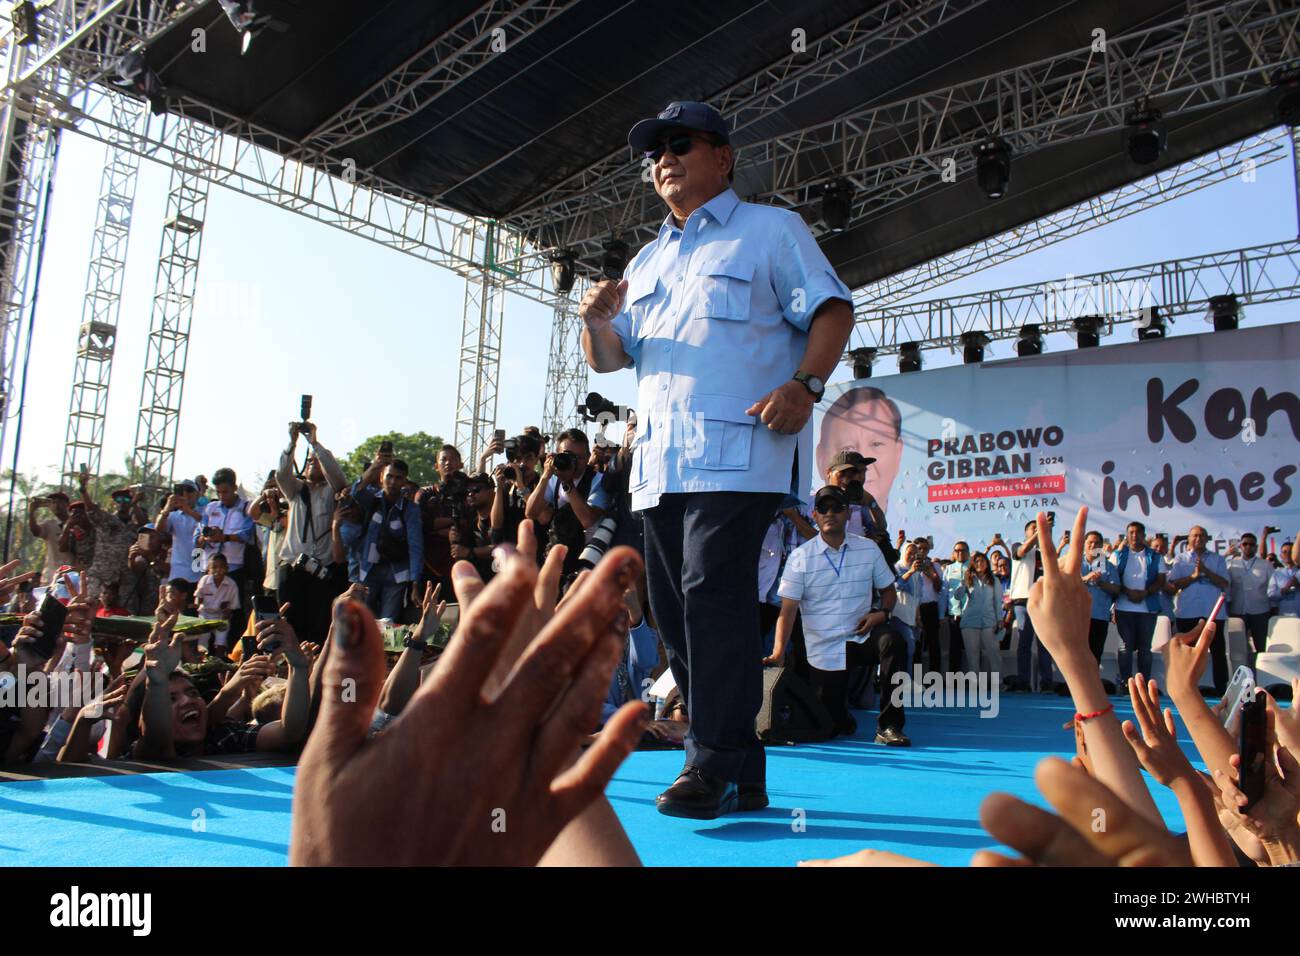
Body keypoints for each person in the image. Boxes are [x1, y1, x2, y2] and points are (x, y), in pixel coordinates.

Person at [580, 100, 854, 818]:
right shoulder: (648, 259)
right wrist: (594, 324)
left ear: (723, 157)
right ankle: (743, 766)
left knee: (712, 598)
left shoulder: (771, 230)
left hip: (740, 457)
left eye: (679, 143)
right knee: (673, 618)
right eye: (653, 151)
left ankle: (712, 762)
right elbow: (614, 359)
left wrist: (806, 384)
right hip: (660, 467)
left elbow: (832, 310)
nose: (662, 159)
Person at [276, 422, 348, 643]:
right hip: (293, 568)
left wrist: (314, 443)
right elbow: (282, 474)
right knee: (288, 624)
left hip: (322, 572)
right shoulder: (296, 491)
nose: (313, 464)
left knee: (318, 627)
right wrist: (293, 441)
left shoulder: (332, 492)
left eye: (317, 461)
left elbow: (336, 475)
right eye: (309, 462)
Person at [526, 427, 610, 584]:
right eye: (567, 456)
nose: (573, 462)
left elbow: (588, 520)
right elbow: (531, 512)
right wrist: (545, 476)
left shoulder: (600, 480)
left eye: (578, 458)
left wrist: (567, 483)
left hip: (589, 562)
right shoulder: (553, 478)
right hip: (558, 557)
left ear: (587, 458)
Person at [815, 385, 905, 518]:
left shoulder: (868, 507)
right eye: (847, 448)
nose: (854, 478)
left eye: (876, 444)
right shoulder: (809, 507)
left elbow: (880, 531)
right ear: (821, 460)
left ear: (898, 453)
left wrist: (870, 501)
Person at [353, 457, 423, 622]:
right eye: (389, 476)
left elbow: (416, 546)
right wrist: (377, 464)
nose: (393, 481)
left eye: (398, 478)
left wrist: (415, 584)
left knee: (388, 624)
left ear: (405, 481)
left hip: (396, 573)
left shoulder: (410, 509)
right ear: (381, 477)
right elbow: (356, 491)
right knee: (363, 622)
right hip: (368, 569)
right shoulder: (371, 500)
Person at [1168, 525, 1230, 693]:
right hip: (1188, 612)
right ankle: (1186, 688)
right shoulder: (1181, 559)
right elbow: (1173, 584)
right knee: (1187, 652)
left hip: (1213, 612)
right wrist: (1194, 576)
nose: (1198, 539)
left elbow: (1224, 583)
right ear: (1188, 539)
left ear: (1207, 539)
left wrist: (1205, 571)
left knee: (1218, 651)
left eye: (1202, 536)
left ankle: (1221, 689)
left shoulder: (1217, 559)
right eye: (1194, 535)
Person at [1109, 520, 1166, 692]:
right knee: (1125, 648)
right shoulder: (1117, 555)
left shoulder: (1155, 556)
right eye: (1131, 532)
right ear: (1127, 535)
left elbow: (1161, 580)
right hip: (1123, 608)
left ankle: (1143, 685)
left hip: (1147, 609)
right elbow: (1112, 579)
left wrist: (1145, 593)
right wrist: (1127, 592)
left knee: (1144, 649)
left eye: (1138, 532)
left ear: (1143, 535)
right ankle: (1126, 684)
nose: (1134, 536)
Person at [199, 468, 256, 637]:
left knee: (232, 613)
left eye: (225, 491)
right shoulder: (210, 508)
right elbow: (198, 535)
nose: (222, 496)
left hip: (234, 569)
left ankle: (230, 653)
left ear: (234, 488)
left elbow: (247, 534)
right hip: (209, 568)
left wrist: (224, 537)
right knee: (207, 612)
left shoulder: (246, 507)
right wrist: (205, 538)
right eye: (218, 492)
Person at [1009, 517, 1057, 692]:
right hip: (1023, 601)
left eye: (1040, 527)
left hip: (1044, 603)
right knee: (1024, 644)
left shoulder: (1046, 552)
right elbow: (1022, 550)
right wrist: (1040, 532)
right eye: (1033, 528)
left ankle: (1046, 683)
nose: (1037, 529)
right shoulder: (1018, 546)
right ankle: (1023, 681)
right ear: (1026, 532)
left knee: (1045, 644)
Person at [950, 551, 1003, 682]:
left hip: (989, 621)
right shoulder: (968, 579)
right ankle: (976, 684)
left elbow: (997, 601)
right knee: (972, 655)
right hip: (970, 621)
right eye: (977, 561)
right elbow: (957, 596)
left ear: (987, 563)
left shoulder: (994, 580)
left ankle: (999, 682)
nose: (980, 563)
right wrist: (963, 583)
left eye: (982, 561)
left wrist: (999, 619)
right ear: (973, 564)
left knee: (993, 653)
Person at [1227, 531, 1272, 671]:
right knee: (1238, 649)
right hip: (1237, 611)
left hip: (1260, 611)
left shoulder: (1265, 565)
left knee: (1261, 646)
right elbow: (1227, 587)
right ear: (1240, 546)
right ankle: (1241, 676)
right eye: (1245, 544)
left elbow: (1273, 586)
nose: (1248, 547)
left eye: (1251, 545)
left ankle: (1263, 676)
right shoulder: (1231, 564)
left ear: (1256, 547)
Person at [898, 537, 943, 675]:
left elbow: (939, 588)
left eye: (925, 548)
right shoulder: (904, 566)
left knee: (933, 643)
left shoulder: (934, 566)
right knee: (915, 645)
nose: (922, 551)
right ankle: (915, 677)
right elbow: (898, 585)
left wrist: (931, 573)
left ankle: (935, 677)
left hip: (929, 608)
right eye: (920, 548)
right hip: (911, 609)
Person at [1080, 530, 1120, 670]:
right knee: (1077, 654)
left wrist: (1101, 583)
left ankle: (1092, 688)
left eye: (1097, 543)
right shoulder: (1075, 563)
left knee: (1095, 654)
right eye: (1090, 542)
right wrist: (1085, 578)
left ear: (1101, 545)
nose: (1093, 545)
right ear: (1084, 544)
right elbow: (1066, 584)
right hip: (1077, 616)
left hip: (1099, 616)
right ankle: (1075, 687)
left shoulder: (1108, 566)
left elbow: (1116, 589)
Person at [156, 479, 203, 586]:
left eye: (189, 490)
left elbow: (203, 521)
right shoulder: (174, 516)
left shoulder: (205, 511)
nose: (185, 493)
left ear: (197, 494)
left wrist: (188, 510)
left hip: (198, 568)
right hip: (178, 571)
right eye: (181, 490)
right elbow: (158, 528)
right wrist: (166, 509)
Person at [195, 553, 239, 656]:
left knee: (221, 640)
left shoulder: (232, 585)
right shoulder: (204, 580)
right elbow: (198, 598)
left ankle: (218, 662)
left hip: (221, 616)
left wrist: (225, 613)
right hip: (205, 615)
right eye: (214, 567)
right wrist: (197, 605)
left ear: (227, 568)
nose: (218, 570)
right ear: (208, 569)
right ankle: (202, 664)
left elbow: (232, 608)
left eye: (221, 567)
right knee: (202, 641)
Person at [27, 491, 74, 585]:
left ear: (67, 504)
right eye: (53, 502)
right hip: (51, 576)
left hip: (72, 576)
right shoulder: (49, 524)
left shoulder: (76, 523)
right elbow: (35, 531)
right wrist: (31, 512)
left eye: (60, 502)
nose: (56, 505)